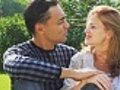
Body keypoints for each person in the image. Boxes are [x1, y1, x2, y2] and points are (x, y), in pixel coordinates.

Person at [3, 0, 101, 90]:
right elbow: (14, 65)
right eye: (60, 22)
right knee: (25, 78)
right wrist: (71, 73)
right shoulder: (19, 52)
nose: (67, 25)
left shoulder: (69, 53)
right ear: (40, 29)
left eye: (65, 20)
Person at [62, 5, 120, 90]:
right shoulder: (80, 60)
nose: (86, 31)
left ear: (109, 34)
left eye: (93, 27)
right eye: (87, 26)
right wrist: (85, 82)